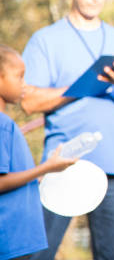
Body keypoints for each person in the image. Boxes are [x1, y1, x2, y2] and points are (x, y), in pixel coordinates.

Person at [20, 0, 114, 260]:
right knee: (38, 254)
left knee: (112, 256)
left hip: (113, 166)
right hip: (60, 163)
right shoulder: (45, 41)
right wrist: (81, 87)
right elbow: (28, 101)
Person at [0, 45, 77, 260]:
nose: (25, 84)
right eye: (19, 77)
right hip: (10, 243)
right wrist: (45, 168)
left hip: (20, 241)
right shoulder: (2, 125)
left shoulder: (7, 123)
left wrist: (40, 175)